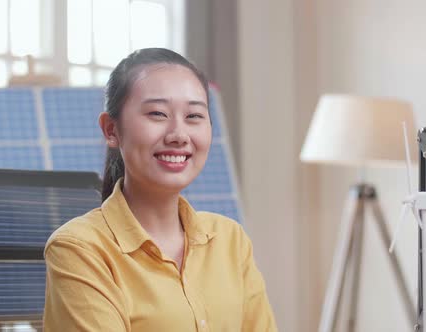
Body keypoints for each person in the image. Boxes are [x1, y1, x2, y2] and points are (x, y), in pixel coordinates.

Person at [43, 48, 277, 331]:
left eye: (193, 116)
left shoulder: (230, 240)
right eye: (157, 113)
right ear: (111, 129)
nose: (178, 135)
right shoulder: (79, 248)